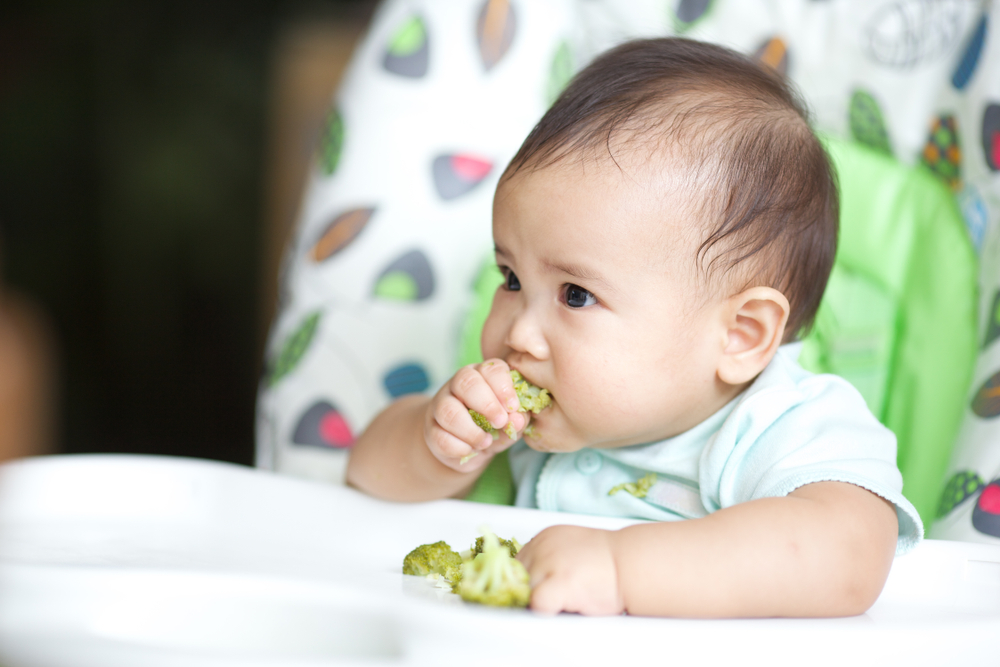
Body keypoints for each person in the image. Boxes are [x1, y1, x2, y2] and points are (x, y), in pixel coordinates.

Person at [346, 37, 922, 617]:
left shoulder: (780, 427)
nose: (519, 333)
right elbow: (366, 476)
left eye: (576, 294)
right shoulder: (529, 409)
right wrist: (437, 444)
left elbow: (847, 556)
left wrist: (622, 569)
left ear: (740, 335)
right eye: (511, 277)